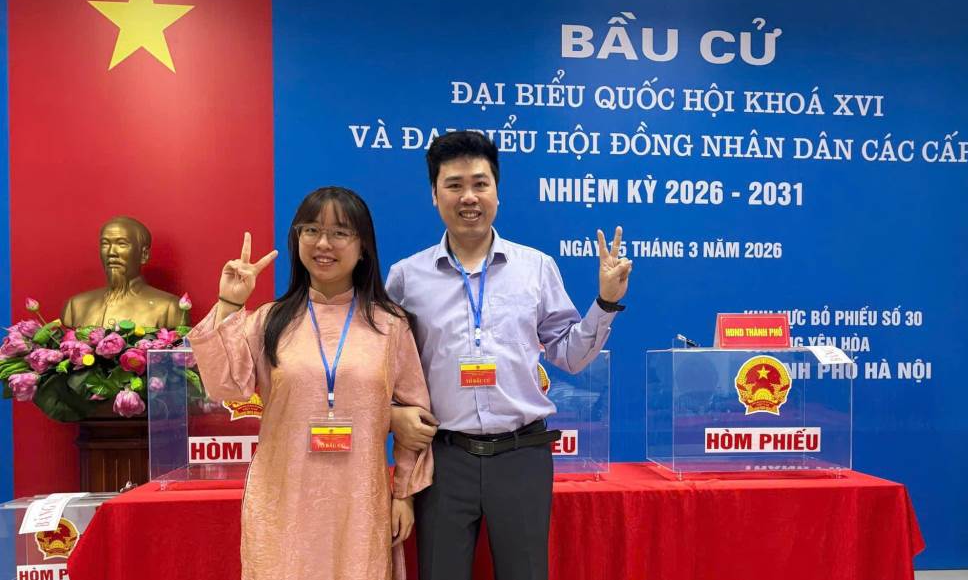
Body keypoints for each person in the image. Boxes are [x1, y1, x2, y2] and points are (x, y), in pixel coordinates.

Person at [387, 131, 632, 580]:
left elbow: (570, 355)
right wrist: (391, 412)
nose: (469, 197)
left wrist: (605, 302)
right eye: (454, 185)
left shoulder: (535, 268)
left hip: (522, 455)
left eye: (480, 184)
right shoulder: (406, 278)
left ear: (497, 192)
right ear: (434, 195)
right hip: (444, 458)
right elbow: (385, 369)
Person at [188, 187, 433, 580]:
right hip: (282, 499)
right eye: (312, 230)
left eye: (340, 232)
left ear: (363, 247)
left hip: (360, 502)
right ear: (297, 238)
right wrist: (230, 304)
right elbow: (225, 386)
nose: (323, 244)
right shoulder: (269, 320)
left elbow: (416, 415)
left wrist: (403, 494)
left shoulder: (389, 325)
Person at [62, 216, 187, 329]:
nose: (111, 252)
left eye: (122, 244)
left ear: (144, 254)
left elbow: (180, 346)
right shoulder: (76, 306)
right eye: (105, 244)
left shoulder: (169, 308)